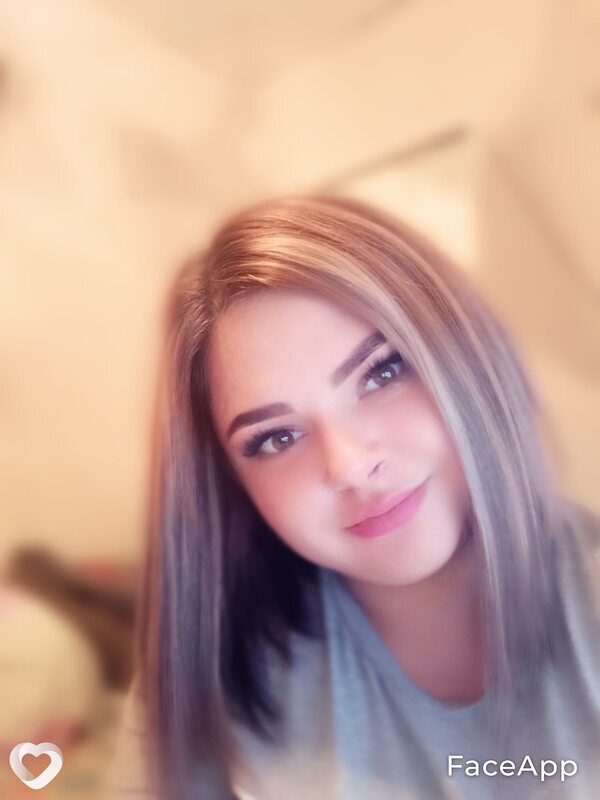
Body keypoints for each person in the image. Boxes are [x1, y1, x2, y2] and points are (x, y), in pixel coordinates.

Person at [107, 196, 600, 800]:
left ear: (463, 355)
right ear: (234, 485)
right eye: (277, 438)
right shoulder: (206, 660)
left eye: (382, 373)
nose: (349, 466)